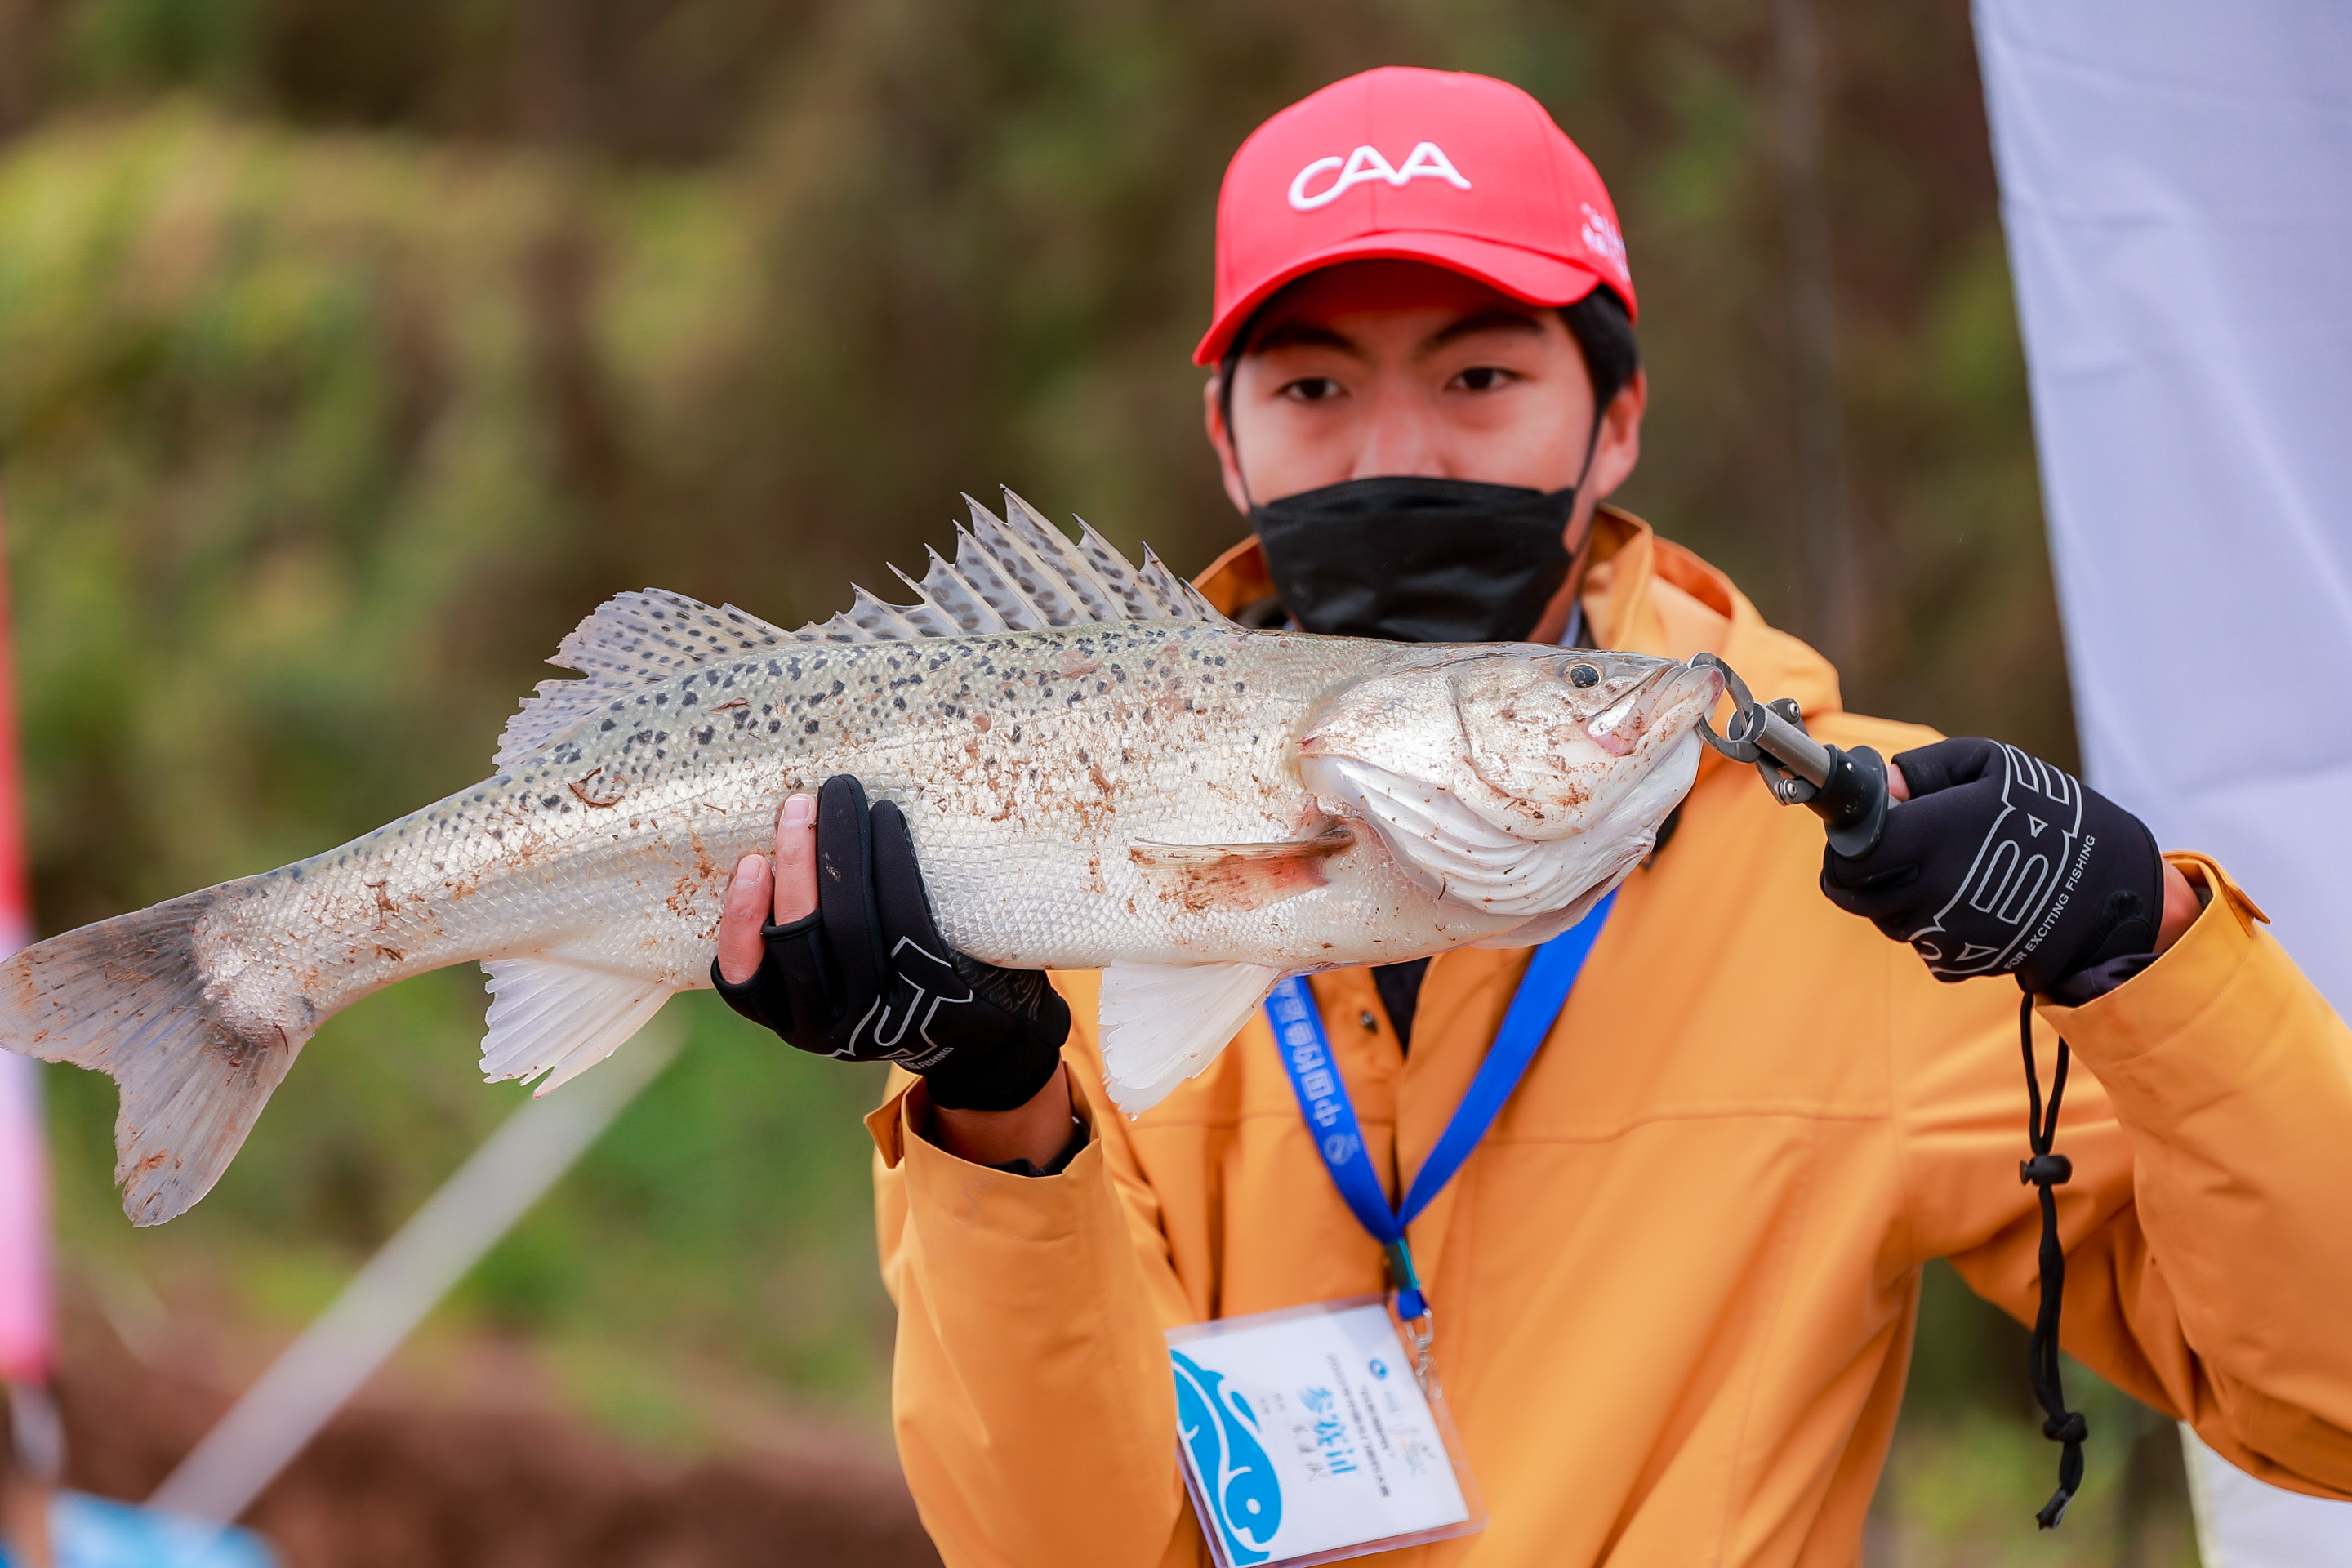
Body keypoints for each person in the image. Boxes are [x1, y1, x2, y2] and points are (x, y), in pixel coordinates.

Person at [711, 68, 2352, 1566]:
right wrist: (1000, 1111)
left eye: (1481, 375)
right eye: (1314, 390)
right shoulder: (1048, 849)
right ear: (1226, 439)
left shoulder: (1887, 869)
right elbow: (1066, 1549)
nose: (1399, 453)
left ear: (1616, 417)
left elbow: (2328, 1410)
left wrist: (2153, 955)